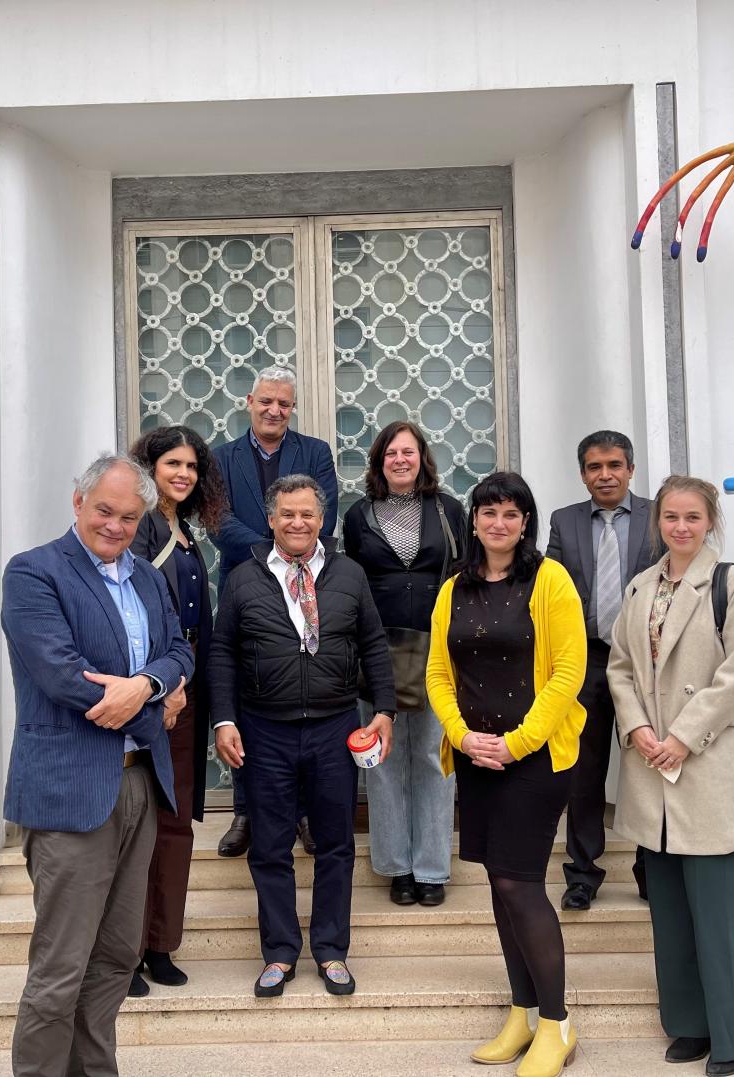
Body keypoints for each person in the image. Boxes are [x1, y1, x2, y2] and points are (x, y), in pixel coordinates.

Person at [1, 453, 194, 1077]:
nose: (115, 526)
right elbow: (63, 677)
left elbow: (179, 652)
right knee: (61, 968)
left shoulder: (146, 578)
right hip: (71, 791)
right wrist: (156, 701)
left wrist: (145, 685)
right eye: (105, 511)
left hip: (140, 781)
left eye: (130, 517)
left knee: (114, 957)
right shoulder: (34, 573)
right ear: (78, 502)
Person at [607, 475, 734, 1077]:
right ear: (658, 522)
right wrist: (638, 730)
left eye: (692, 518)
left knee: (719, 911)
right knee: (669, 909)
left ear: (710, 523)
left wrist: (682, 736)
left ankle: (732, 1035)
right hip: (652, 764)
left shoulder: (732, 584)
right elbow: (620, 668)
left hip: (709, 762)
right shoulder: (639, 586)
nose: (680, 527)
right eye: (671, 517)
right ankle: (686, 1024)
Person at [208, 474, 396, 999]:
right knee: (269, 846)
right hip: (264, 731)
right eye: (287, 514)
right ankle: (280, 954)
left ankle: (332, 951)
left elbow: (374, 645)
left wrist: (384, 711)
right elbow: (222, 652)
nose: (297, 523)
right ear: (271, 519)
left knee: (335, 844)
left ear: (321, 519)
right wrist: (224, 720)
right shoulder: (244, 578)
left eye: (307, 514)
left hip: (336, 728)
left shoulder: (349, 574)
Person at [426, 472, 587, 1077]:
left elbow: (568, 672)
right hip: (476, 758)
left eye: (511, 514)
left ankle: (557, 1022)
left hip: (535, 759)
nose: (499, 522)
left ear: (526, 522)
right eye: (489, 512)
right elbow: (439, 673)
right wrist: (462, 736)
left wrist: (517, 744)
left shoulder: (550, 581)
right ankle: (521, 1013)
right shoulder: (453, 589)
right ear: (474, 520)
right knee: (499, 883)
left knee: (521, 883)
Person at [211, 366, 338, 858]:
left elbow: (322, 516)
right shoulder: (223, 458)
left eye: (284, 404)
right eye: (266, 401)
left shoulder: (315, 453)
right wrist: (273, 549)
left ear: (292, 408)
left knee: (301, 696)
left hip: (307, 590)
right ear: (249, 401)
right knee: (246, 699)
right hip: (245, 590)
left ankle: (303, 814)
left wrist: (288, 547)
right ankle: (245, 812)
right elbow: (218, 521)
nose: (274, 410)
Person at [342, 420, 465, 907]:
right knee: (385, 761)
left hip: (438, 650)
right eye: (391, 452)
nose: (400, 460)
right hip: (376, 651)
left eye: (408, 452)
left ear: (422, 458)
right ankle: (397, 867)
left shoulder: (449, 509)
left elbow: (463, 575)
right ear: (379, 460)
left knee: (435, 758)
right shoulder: (358, 515)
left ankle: (432, 867)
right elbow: (350, 581)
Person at [127, 425, 228, 997]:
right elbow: (134, 612)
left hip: (187, 691)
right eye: (173, 463)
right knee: (139, 824)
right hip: (150, 694)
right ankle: (128, 949)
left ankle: (162, 945)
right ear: (151, 465)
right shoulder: (138, 526)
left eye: (191, 465)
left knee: (176, 825)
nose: (183, 474)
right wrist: (160, 689)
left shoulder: (184, 532)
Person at [545, 430, 655, 910]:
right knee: (583, 773)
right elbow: (551, 588)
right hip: (585, 660)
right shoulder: (564, 522)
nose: (604, 475)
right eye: (594, 467)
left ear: (630, 469)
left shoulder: (658, 516)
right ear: (582, 474)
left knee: (648, 767)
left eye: (614, 465)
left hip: (646, 664)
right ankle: (583, 874)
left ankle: (653, 872)